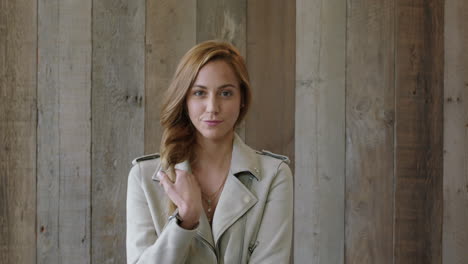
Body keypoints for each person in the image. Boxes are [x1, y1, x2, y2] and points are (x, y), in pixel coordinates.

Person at [126, 40, 293, 263]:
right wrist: (184, 222)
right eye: (199, 93)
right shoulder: (144, 177)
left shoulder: (274, 175)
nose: (212, 107)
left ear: (242, 99)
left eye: (225, 93)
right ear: (184, 99)